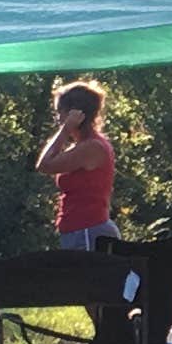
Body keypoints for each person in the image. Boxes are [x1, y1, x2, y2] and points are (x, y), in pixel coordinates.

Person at [35, 81, 117, 249]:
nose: (58, 119)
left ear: (75, 114)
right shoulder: (82, 146)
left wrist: (65, 130)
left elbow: (44, 165)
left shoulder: (92, 147)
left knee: (87, 276)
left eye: (60, 113)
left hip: (88, 230)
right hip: (78, 231)